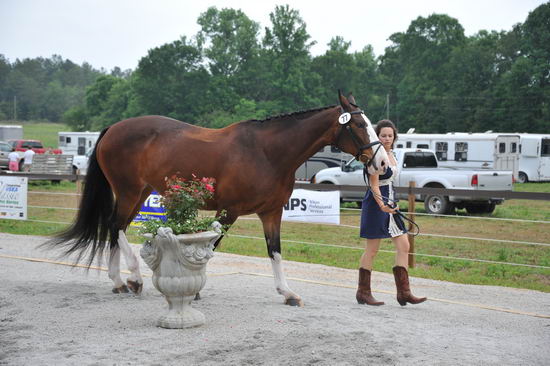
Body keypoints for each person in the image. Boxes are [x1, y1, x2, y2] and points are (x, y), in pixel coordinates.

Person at [356, 119, 427, 306]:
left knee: (404, 246)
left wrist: (392, 203)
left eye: (390, 135)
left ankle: (404, 293)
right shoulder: (375, 156)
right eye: (383, 135)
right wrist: (382, 205)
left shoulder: (393, 154)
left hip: (391, 204)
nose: (387, 139)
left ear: (394, 136)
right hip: (376, 203)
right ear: (377, 136)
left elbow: (390, 183)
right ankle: (363, 292)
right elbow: (374, 185)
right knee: (372, 250)